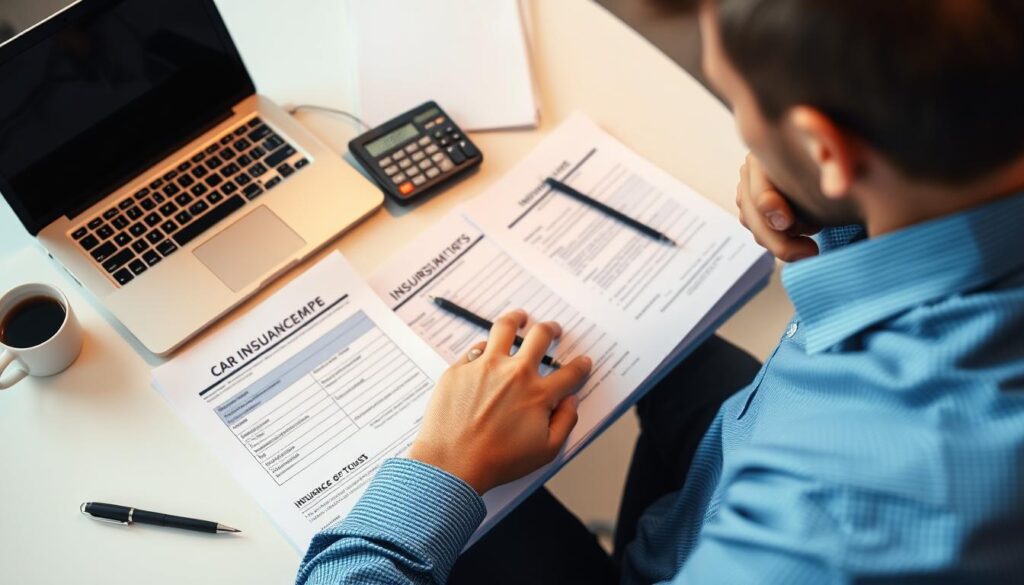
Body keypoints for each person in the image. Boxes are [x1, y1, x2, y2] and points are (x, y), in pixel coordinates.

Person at [296, 0, 1024, 582]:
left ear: (824, 146)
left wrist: (441, 467)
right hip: (748, 453)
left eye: (737, 100)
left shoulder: (826, 533)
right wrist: (838, 208)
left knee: (451, 510)